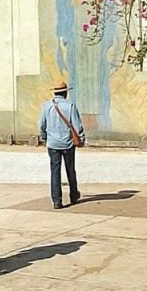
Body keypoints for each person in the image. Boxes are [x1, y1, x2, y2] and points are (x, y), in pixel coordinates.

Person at [39, 81, 84, 210]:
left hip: (53, 144)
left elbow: (42, 125)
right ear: (65, 92)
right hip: (68, 143)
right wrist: (81, 139)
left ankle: (57, 200)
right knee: (70, 169)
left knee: (55, 171)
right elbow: (77, 125)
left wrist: (45, 138)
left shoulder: (46, 106)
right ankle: (73, 195)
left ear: (55, 92)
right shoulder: (70, 106)